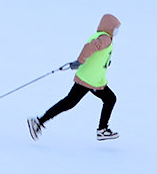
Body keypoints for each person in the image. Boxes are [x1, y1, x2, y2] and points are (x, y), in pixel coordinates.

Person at [28, 13, 121, 142]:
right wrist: (80, 60)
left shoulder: (100, 36)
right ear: (109, 27)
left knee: (69, 103)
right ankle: (102, 130)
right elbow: (90, 47)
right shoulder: (105, 38)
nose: (116, 32)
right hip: (91, 80)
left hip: (89, 78)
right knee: (110, 99)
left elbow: (95, 53)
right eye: (115, 28)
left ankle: (39, 121)